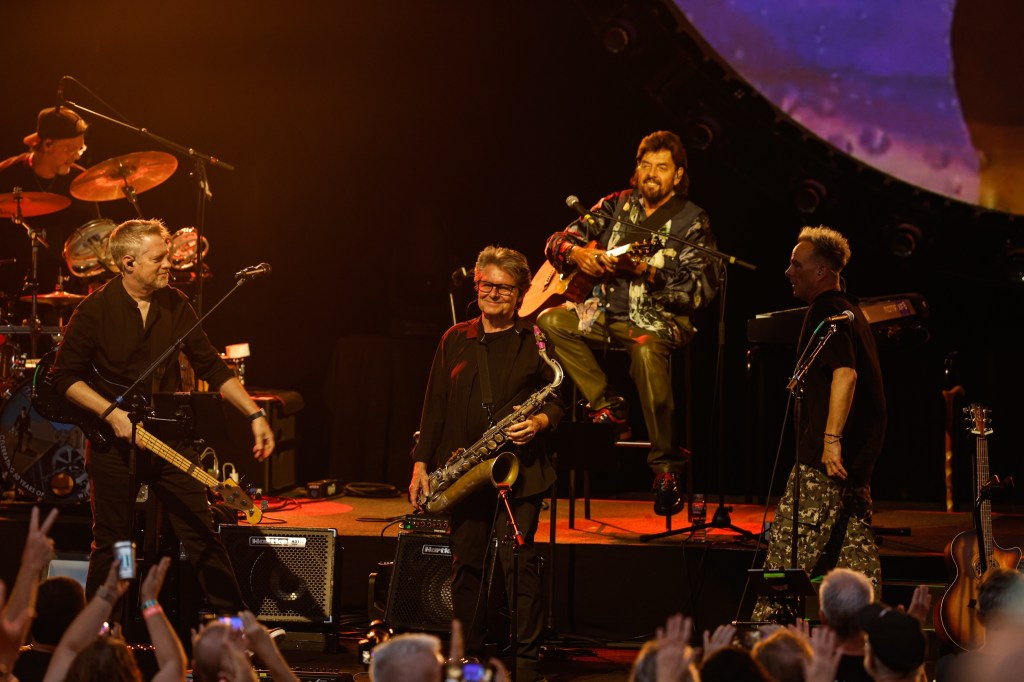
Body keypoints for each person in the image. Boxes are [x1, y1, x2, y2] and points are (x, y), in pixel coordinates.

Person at [49, 218, 275, 612]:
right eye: (158, 259)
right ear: (129, 263)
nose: (168, 264)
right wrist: (111, 415)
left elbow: (211, 367)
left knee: (201, 533)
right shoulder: (94, 311)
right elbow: (63, 378)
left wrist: (254, 415)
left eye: (167, 256)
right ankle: (103, 632)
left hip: (168, 438)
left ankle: (238, 628)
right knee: (115, 545)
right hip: (113, 443)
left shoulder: (175, 303)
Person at [535, 130, 720, 516]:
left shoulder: (692, 220)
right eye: (646, 165)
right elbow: (557, 240)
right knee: (550, 320)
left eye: (662, 167)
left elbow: (700, 289)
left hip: (656, 320)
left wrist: (648, 271)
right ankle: (609, 406)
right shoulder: (614, 205)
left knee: (647, 350)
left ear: (678, 174)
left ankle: (666, 469)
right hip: (600, 313)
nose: (652, 174)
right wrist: (577, 255)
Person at [408, 246, 564, 682]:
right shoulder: (454, 338)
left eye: (504, 288)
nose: (493, 294)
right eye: (486, 285)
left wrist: (538, 422)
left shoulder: (536, 339)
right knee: (467, 565)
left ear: (521, 293)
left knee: (520, 564)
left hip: (521, 469)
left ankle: (526, 661)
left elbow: (557, 400)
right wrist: (420, 465)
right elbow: (434, 407)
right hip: (465, 469)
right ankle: (468, 655)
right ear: (476, 285)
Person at [752, 226, 886, 622]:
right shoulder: (853, 313)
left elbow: (846, 374)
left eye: (797, 264)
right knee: (857, 568)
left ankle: (765, 641)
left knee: (785, 562)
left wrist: (830, 441)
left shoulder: (828, 311)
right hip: (855, 465)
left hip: (824, 462)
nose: (788, 271)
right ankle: (873, 638)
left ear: (821, 271)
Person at [0, 106, 93, 297]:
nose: (76, 156)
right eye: (70, 149)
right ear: (47, 144)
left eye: (80, 149)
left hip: (65, 286)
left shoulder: (81, 182)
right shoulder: (7, 175)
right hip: (9, 283)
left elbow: (93, 237)